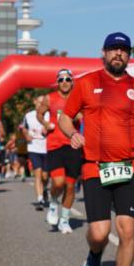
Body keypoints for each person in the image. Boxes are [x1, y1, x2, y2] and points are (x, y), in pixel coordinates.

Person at [59, 32, 134, 266]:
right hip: (95, 167)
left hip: (128, 167)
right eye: (113, 49)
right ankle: (95, 255)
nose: (118, 53)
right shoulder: (86, 83)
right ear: (103, 53)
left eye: (123, 50)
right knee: (99, 233)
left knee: (127, 230)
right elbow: (65, 117)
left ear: (129, 55)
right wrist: (71, 134)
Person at [46, 69, 83, 233]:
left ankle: (64, 220)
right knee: (58, 182)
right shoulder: (49, 98)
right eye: (61, 80)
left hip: (73, 145)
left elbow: (84, 115)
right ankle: (53, 201)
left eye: (68, 79)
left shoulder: (79, 98)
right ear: (57, 82)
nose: (65, 82)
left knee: (70, 186)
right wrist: (45, 124)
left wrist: (77, 116)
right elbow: (40, 114)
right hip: (55, 145)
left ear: (72, 82)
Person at [22, 94, 51, 211]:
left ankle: (44, 190)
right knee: (38, 174)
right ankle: (39, 199)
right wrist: (26, 135)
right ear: (34, 102)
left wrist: (48, 129)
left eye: (43, 102)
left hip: (47, 148)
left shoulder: (49, 114)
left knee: (45, 175)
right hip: (33, 148)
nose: (41, 104)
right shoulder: (28, 115)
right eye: (39, 102)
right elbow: (23, 128)